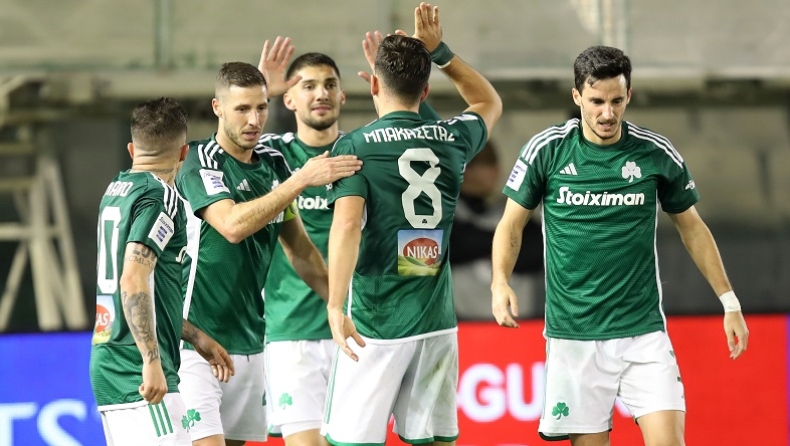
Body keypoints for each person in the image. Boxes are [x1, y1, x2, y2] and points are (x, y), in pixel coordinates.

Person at [490, 45, 750, 445]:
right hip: (574, 336)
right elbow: (511, 222)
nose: (607, 113)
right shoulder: (548, 150)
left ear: (629, 95)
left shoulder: (655, 153)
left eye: (616, 101)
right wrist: (500, 282)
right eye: (596, 101)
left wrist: (729, 301)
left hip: (642, 333)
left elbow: (693, 228)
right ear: (577, 96)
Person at [323, 3, 502, 445]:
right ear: (425, 92)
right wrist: (439, 51)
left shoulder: (355, 146)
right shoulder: (452, 138)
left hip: (376, 324)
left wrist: (334, 304)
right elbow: (488, 101)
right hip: (435, 322)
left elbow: (347, 226)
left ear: (374, 84)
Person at [258, 36, 445, 446]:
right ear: (288, 98)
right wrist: (261, 92)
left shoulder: (367, 150)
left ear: (344, 95)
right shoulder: (270, 156)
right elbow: (222, 151)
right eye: (307, 85)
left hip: (366, 326)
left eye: (329, 84)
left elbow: (427, 143)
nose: (320, 93)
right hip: (294, 333)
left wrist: (401, 84)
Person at [175, 58, 362, 446]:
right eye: (242, 109)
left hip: (248, 342)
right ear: (217, 108)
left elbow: (301, 251)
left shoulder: (273, 164)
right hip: (195, 341)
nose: (254, 120)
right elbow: (231, 226)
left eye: (261, 108)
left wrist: (339, 307)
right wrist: (299, 181)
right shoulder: (200, 159)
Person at [90, 97, 235, 446]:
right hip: (138, 371)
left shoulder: (117, 190)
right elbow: (133, 278)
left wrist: (194, 335)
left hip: (110, 362)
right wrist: (151, 361)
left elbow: (142, 288)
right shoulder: (161, 198)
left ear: (132, 149)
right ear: (184, 153)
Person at [448, 139, 543, 320]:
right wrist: (505, 241)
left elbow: (537, 250)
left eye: (492, 163)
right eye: (482, 164)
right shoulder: (443, 213)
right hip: (459, 320)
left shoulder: (509, 210)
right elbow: (453, 245)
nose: (493, 171)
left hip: (518, 318)